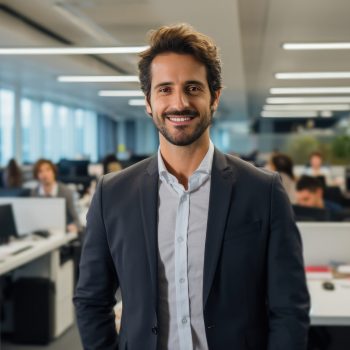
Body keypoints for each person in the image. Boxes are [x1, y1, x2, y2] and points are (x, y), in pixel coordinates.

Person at [74, 24, 310, 350]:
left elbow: (289, 308)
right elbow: (91, 299)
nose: (179, 102)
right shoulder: (112, 194)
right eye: (165, 89)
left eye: (193, 88)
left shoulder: (263, 191)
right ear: (148, 101)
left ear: (215, 96)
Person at [31, 158, 81, 232]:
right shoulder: (35, 192)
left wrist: (73, 227)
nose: (45, 174)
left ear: (53, 172)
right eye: (40, 171)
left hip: (62, 235)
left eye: (48, 170)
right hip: (42, 234)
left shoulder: (65, 191)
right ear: (37, 175)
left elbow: (77, 222)